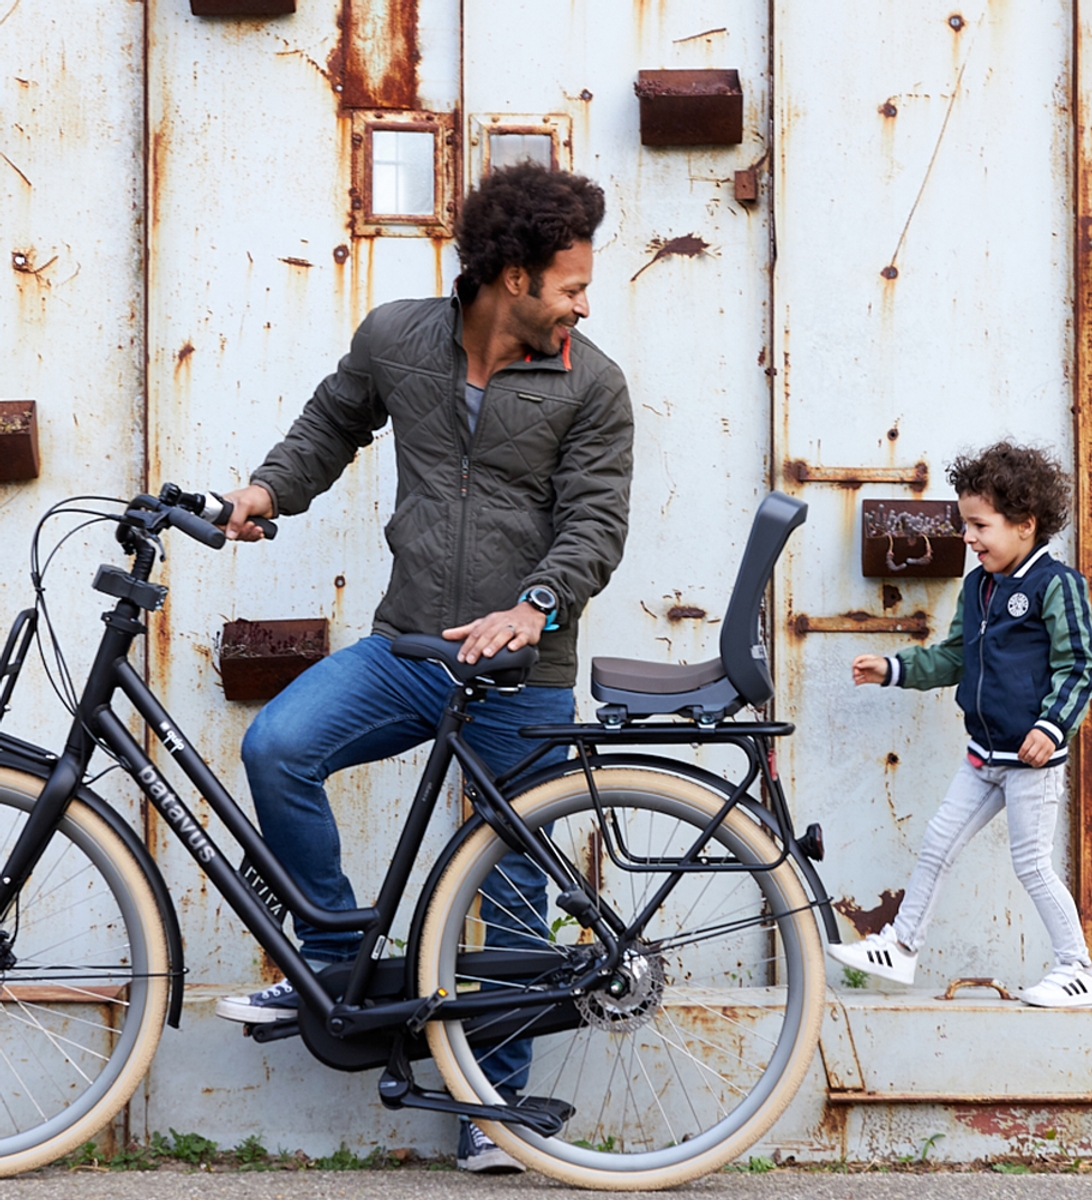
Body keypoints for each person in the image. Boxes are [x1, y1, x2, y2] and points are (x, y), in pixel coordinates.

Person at [212, 162, 634, 1172]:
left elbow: (594, 525)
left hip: (521, 672)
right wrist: (270, 490)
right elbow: (331, 425)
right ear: (514, 276)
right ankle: (327, 960)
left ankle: (491, 1115)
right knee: (278, 746)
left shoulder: (593, 382)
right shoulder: (397, 338)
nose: (585, 301)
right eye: (571, 284)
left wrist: (533, 607)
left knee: (513, 886)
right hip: (408, 648)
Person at [829, 441, 1092, 1008]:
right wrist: (893, 669)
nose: (969, 537)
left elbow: (1078, 668)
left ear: (1025, 525)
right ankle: (901, 946)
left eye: (980, 525)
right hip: (983, 755)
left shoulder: (1056, 586)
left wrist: (1052, 727)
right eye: (965, 524)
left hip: (1032, 760)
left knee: (1031, 864)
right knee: (936, 845)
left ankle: (1078, 969)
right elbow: (953, 657)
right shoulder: (979, 587)